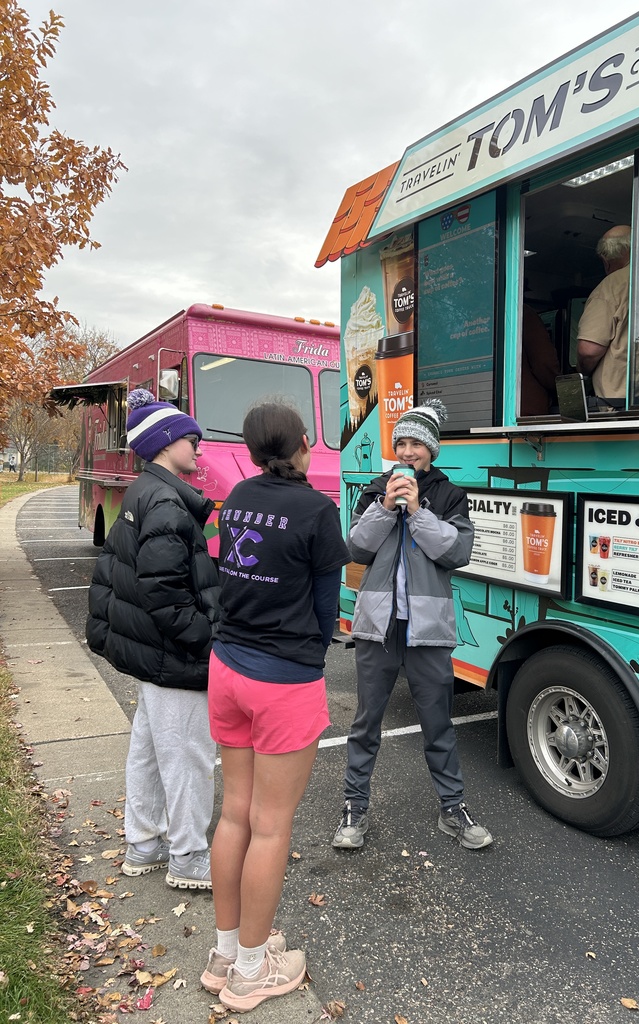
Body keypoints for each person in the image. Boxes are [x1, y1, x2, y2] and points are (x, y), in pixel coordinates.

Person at [201, 403, 350, 1013]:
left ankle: (227, 951)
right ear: (299, 445)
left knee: (235, 813)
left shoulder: (234, 497)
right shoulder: (317, 509)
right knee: (270, 825)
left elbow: (224, 573)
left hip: (227, 668)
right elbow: (325, 605)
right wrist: (311, 656)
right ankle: (255, 970)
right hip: (282, 679)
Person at [332, 399, 492, 852]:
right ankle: (354, 807)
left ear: (432, 450)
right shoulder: (374, 490)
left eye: (416, 444)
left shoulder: (448, 494)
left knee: (438, 723)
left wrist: (419, 510)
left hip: (427, 628)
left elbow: (456, 553)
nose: (407, 452)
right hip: (377, 628)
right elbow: (357, 548)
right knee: (367, 721)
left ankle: (453, 808)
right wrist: (386, 506)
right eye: (400, 443)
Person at [86, 389, 219, 889]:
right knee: (187, 755)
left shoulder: (142, 491)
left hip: (146, 650)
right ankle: (187, 858)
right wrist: (206, 640)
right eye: (192, 440)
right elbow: (165, 594)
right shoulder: (166, 501)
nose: (199, 449)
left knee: (147, 747)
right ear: (166, 443)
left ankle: (144, 844)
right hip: (171, 656)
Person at [576, 225, 631, 409]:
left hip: (618, 406)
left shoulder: (610, 286)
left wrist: (581, 372)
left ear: (606, 262)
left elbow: (588, 351)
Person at [520, 304, 560, 416]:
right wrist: (562, 389)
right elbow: (544, 363)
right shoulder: (522, 312)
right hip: (526, 415)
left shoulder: (475, 317)